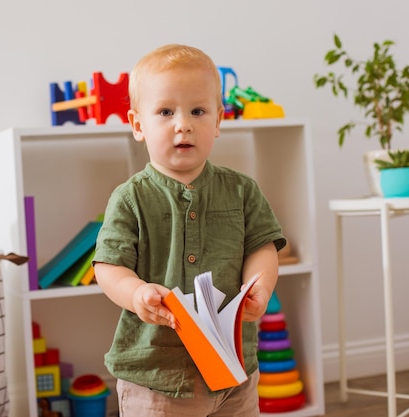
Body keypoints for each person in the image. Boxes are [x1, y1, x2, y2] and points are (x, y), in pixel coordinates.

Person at [93, 43, 286, 417]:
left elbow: (262, 246)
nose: (183, 123)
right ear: (138, 125)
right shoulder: (130, 198)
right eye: (165, 112)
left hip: (235, 371)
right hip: (157, 377)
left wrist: (261, 286)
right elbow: (108, 266)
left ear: (217, 122)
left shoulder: (242, 190)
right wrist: (136, 294)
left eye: (198, 111)